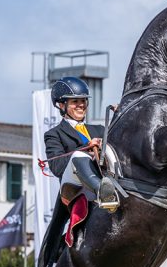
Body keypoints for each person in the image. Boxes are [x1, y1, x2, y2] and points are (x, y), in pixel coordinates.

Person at [45, 76, 120, 211]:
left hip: (104, 177)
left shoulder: (99, 129)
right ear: (61, 105)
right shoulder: (54, 134)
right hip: (73, 186)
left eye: (83, 100)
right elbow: (57, 167)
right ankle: (103, 192)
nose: (81, 105)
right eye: (75, 101)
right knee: (78, 156)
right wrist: (86, 148)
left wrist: (120, 118)